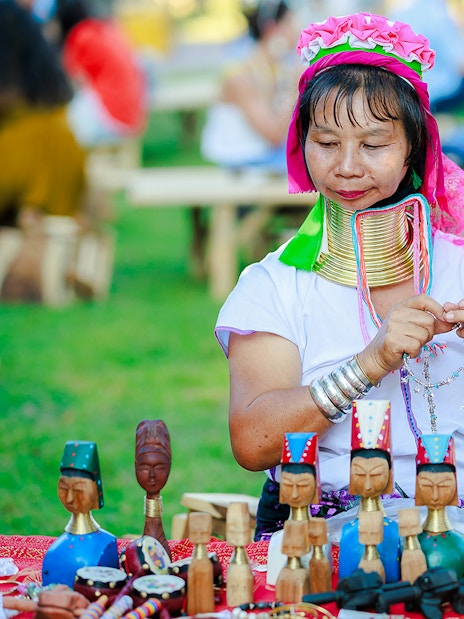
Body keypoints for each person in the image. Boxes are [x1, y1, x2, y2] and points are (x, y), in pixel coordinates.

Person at [214, 11, 464, 542]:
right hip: (313, 532)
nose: (347, 166)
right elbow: (254, 441)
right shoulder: (274, 284)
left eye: (374, 145)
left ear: (412, 151)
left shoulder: (458, 266)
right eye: (326, 142)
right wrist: (370, 362)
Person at [200, 0, 299, 174]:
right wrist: (296, 88)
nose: (297, 31)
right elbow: (273, 135)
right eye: (290, 23)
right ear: (271, 29)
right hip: (242, 161)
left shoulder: (274, 70)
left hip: (263, 157)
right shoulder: (241, 77)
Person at [54, 0, 147, 149]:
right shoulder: (108, 29)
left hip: (112, 119)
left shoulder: (82, 35)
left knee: (59, 118)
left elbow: (67, 80)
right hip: (133, 117)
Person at [42, 441, 119, 587]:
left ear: (95, 492)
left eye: (78, 490)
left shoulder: (107, 544)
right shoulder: (55, 550)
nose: (70, 498)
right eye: (63, 488)